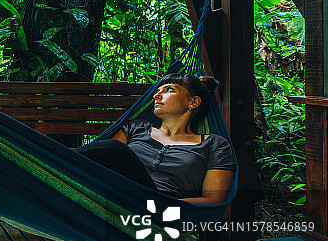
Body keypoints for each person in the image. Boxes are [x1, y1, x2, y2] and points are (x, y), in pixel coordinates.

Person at [74, 73, 235, 204]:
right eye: (158, 91)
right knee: (114, 150)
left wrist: (165, 207)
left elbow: (213, 199)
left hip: (164, 209)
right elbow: (102, 167)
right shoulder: (136, 128)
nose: (156, 96)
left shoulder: (214, 144)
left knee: (116, 150)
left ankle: (53, 153)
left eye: (169, 90)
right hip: (118, 198)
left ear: (193, 102)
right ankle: (51, 156)